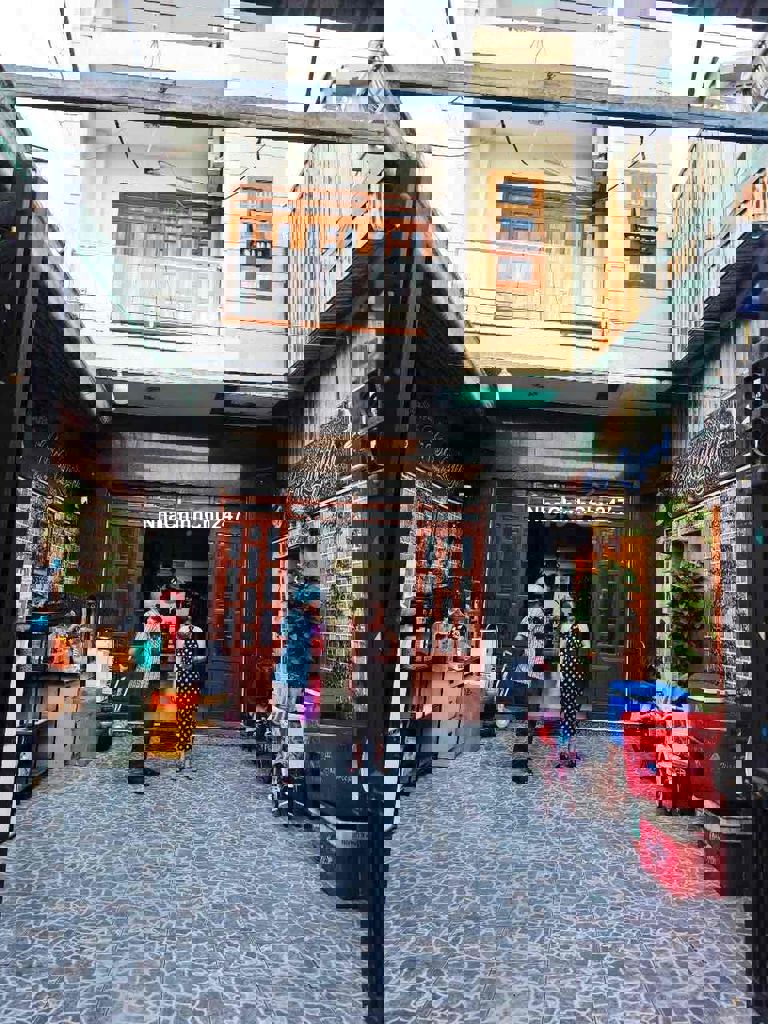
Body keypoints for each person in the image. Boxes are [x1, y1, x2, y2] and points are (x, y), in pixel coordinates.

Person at [175, 615, 205, 772]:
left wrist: (190, 661)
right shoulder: (180, 635)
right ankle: (183, 754)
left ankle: (185, 754)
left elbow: (203, 657)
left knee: (188, 719)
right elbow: (177, 660)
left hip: (190, 681)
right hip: (184, 681)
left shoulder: (197, 634)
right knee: (183, 719)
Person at [558, 621, 589, 767]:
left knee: (569, 716)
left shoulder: (580, 629)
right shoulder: (568, 629)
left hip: (572, 680)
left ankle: (568, 751)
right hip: (570, 680)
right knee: (569, 716)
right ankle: (568, 752)